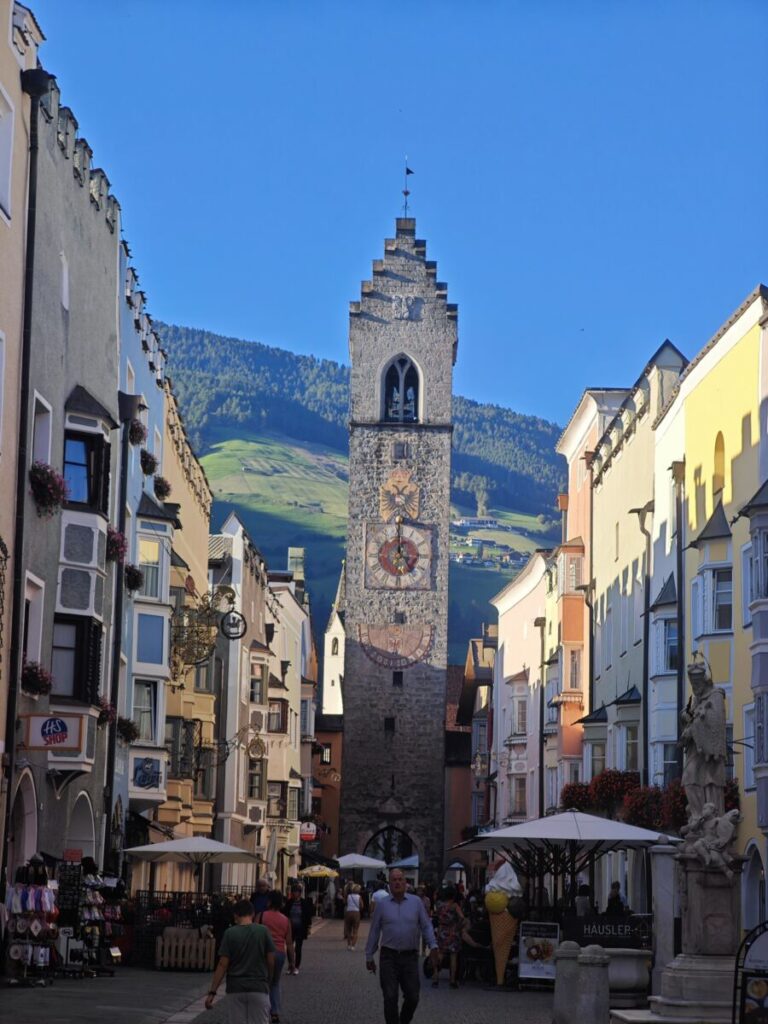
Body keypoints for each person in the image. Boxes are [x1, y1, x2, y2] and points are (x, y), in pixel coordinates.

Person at [365, 868, 439, 1024]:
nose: (397, 882)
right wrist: (369, 955)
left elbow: (426, 926)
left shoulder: (416, 902)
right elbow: (375, 930)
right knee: (390, 996)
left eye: (400, 879)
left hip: (410, 957)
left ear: (406, 883)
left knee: (413, 996)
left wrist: (433, 945)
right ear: (389, 884)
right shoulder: (382, 905)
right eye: (394, 880)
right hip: (388, 957)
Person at [205, 899, 275, 1024]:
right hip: (258, 987)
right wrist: (269, 980)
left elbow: (222, 965)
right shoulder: (263, 931)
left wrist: (212, 992)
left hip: (235, 988)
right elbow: (271, 960)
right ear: (253, 914)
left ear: (236, 915)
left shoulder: (230, 933)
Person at [258, 890, 294, 1024]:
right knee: (275, 983)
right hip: (279, 953)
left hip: (263, 952)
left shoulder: (261, 916)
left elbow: (254, 933)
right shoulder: (286, 920)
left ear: (269, 901)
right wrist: (292, 962)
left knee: (262, 981)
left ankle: (261, 1009)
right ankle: (275, 1012)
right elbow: (289, 943)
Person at [432, 885, 465, 989]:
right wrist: (458, 925)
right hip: (452, 932)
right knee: (453, 956)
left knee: (440, 954)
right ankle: (452, 980)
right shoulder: (454, 906)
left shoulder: (439, 905)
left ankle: (436, 977)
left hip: (442, 931)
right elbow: (462, 917)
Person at [283, 884, 313, 974]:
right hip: (290, 928)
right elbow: (285, 914)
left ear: (300, 893)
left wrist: (308, 927)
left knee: (298, 948)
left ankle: (296, 966)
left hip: (301, 928)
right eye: (293, 892)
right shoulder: (289, 902)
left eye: (296, 892)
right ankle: (290, 965)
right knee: (289, 947)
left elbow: (308, 916)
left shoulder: (304, 903)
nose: (294, 894)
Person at [344, 883, 362, 950]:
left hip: (348, 912)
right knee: (355, 930)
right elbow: (361, 905)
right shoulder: (359, 897)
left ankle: (348, 944)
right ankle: (353, 946)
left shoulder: (349, 896)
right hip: (356, 913)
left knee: (348, 930)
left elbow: (345, 902)